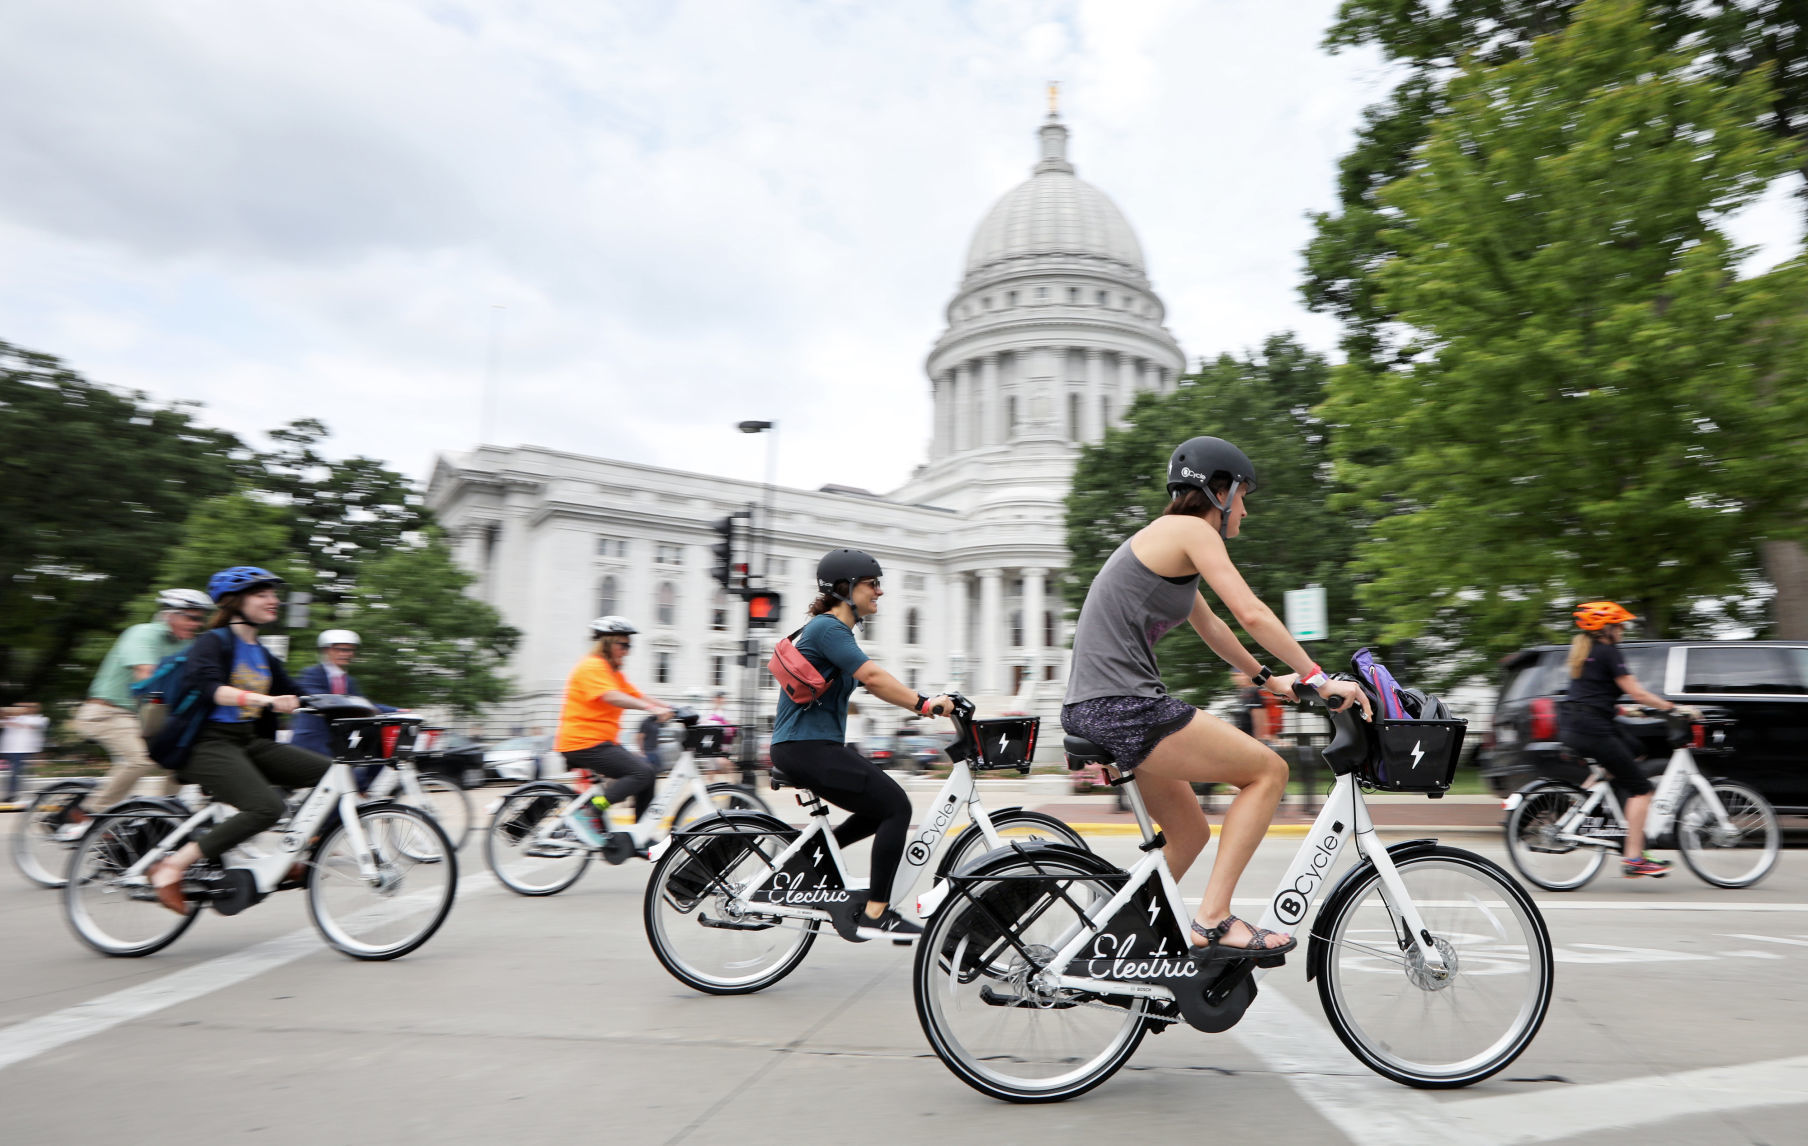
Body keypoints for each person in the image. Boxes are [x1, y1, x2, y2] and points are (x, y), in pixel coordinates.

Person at [1061, 437, 1370, 958]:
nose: (1244, 508)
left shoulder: (1167, 542)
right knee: (1269, 772)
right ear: (1217, 490)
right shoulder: (1190, 530)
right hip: (1125, 706)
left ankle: (1101, 940)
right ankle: (1213, 920)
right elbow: (1252, 613)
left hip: (1097, 706)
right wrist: (1316, 677)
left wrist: (1268, 680)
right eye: (1242, 495)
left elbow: (1216, 629)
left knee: (1188, 833)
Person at [769, 548, 955, 942]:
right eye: (873, 584)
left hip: (805, 746)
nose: (879, 592)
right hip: (808, 747)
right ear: (844, 588)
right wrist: (923, 703)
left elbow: (868, 684)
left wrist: (912, 701)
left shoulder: (825, 630)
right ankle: (876, 912)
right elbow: (871, 675)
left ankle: (801, 868)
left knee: (876, 810)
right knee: (897, 806)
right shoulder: (828, 629)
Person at [146, 567, 333, 914]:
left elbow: (298, 692)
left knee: (332, 776)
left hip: (247, 741)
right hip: (206, 743)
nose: (273, 600)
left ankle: (288, 855)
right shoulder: (212, 642)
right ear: (236, 602)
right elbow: (212, 690)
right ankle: (171, 866)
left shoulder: (261, 652)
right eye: (262, 594)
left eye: (273, 594)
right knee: (266, 807)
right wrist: (263, 700)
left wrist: (357, 709)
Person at [57, 589, 212, 837]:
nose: (198, 624)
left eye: (200, 618)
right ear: (171, 615)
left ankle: (159, 820)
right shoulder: (143, 634)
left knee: (180, 758)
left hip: (144, 718)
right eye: (192, 618)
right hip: (107, 713)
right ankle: (90, 813)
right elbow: (146, 677)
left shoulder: (188, 643)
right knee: (139, 760)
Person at [1561, 601, 1693, 878]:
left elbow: (1592, 694)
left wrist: (1623, 709)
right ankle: (1633, 858)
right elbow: (1638, 692)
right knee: (1642, 789)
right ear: (1606, 629)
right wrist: (1673, 708)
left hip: (1578, 725)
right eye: (1619, 625)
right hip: (1594, 729)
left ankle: (1585, 801)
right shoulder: (1608, 651)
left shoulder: (1585, 653)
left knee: (1635, 749)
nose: (1622, 630)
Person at [553, 616, 675, 853]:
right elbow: (612, 696)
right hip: (583, 742)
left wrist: (671, 708)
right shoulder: (592, 665)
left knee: (647, 773)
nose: (627, 651)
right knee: (641, 772)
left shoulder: (612, 673)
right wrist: (652, 709)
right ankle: (592, 811)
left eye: (630, 646)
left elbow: (636, 695)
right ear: (607, 643)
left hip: (600, 742)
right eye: (623, 645)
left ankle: (641, 833)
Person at [291, 630, 396, 788]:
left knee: (378, 743)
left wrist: (396, 711)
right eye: (340, 649)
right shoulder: (312, 674)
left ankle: (368, 793)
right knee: (346, 780)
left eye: (350, 650)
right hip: (314, 740)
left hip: (337, 739)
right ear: (326, 650)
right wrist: (357, 707)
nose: (346, 654)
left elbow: (364, 703)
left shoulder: (348, 681)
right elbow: (320, 699)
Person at [1, 702, 50, 809]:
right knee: (15, 773)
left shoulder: (40, 719)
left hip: (24, 750)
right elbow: (2, 720)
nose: (28, 709)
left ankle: (13, 795)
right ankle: (13, 793)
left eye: (30, 707)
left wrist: (11, 718)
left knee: (17, 773)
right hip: (9, 749)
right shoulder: (15, 718)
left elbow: (32, 726)